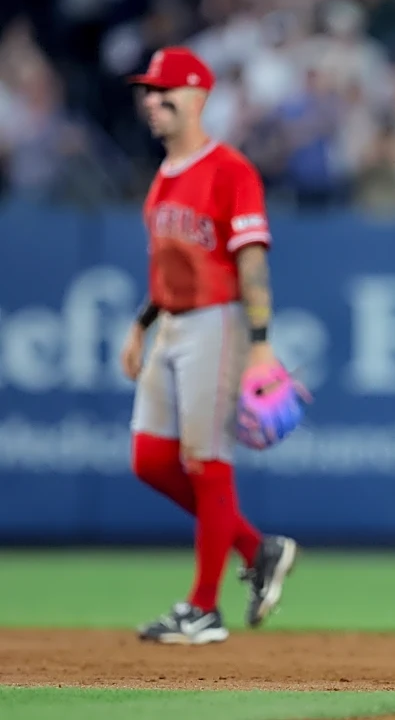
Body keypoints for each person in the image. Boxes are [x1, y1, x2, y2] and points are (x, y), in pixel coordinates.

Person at [120, 46, 297, 645]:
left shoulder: (229, 168)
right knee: (150, 460)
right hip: (169, 322)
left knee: (206, 463)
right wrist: (141, 324)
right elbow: (167, 262)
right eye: (147, 90)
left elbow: (250, 262)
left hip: (216, 322)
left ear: (196, 96)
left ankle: (203, 609)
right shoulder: (165, 171)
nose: (152, 100)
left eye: (163, 91)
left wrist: (261, 343)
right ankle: (256, 547)